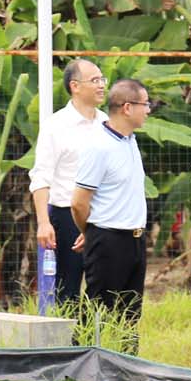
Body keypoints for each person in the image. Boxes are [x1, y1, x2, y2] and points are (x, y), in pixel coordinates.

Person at [71, 79, 154, 341]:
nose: (148, 110)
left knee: (129, 314)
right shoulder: (98, 146)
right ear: (127, 108)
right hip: (109, 240)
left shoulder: (130, 141)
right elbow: (79, 202)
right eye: (145, 104)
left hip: (135, 239)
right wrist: (90, 231)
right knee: (97, 310)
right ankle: (80, 359)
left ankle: (126, 362)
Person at [31, 59, 108, 306]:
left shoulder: (106, 123)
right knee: (68, 289)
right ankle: (69, 331)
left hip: (104, 216)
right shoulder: (56, 126)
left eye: (102, 79)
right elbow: (41, 176)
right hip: (67, 216)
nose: (101, 85)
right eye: (94, 80)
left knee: (105, 286)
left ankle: (99, 330)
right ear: (75, 86)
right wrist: (44, 222)